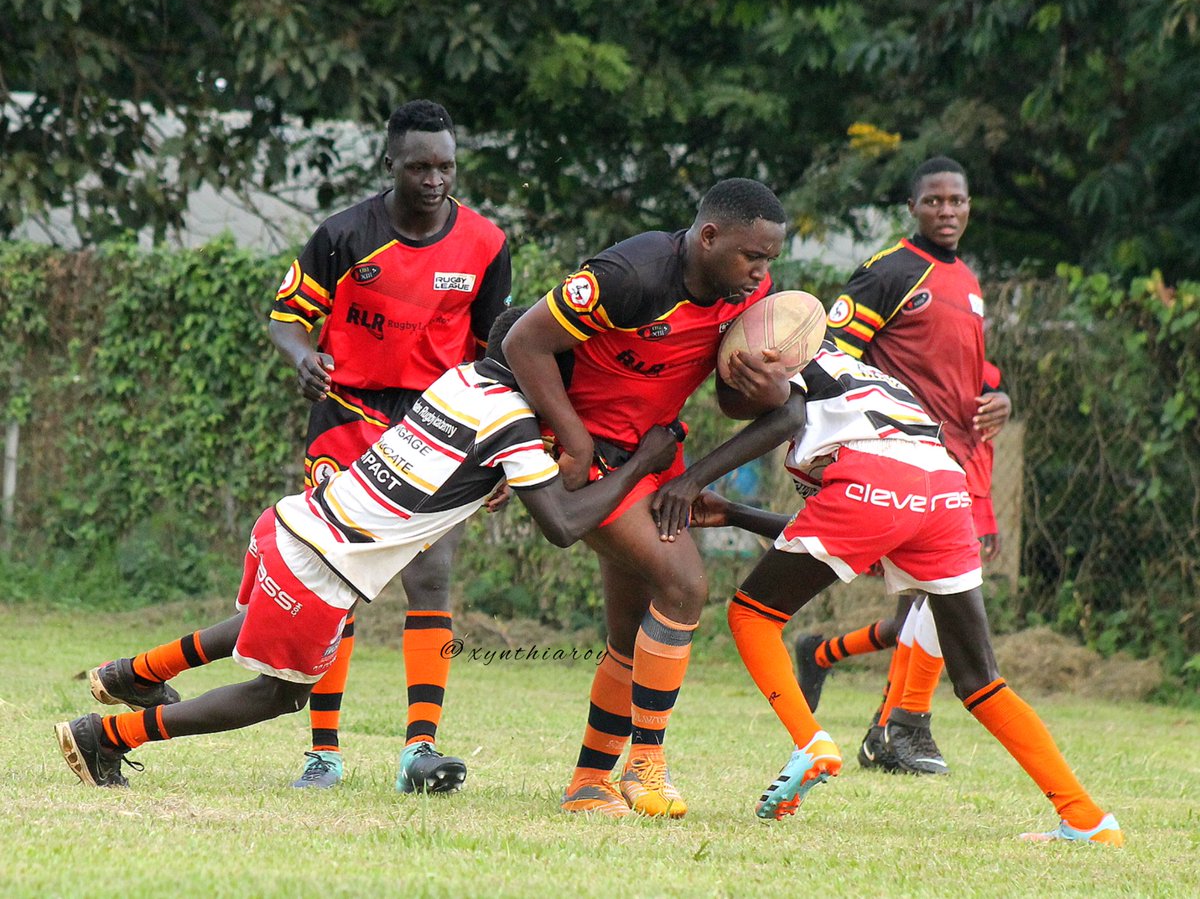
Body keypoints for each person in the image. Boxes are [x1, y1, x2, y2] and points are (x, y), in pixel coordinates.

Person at [56, 308, 683, 790]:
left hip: (287, 523)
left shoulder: (465, 380)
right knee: (281, 692)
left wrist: (502, 480)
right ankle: (110, 736)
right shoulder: (515, 421)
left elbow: (463, 464)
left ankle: (132, 675)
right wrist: (642, 465)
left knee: (261, 626)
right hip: (323, 564)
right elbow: (563, 525)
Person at [650, 337, 1123, 846]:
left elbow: (800, 434)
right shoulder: (856, 375)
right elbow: (858, 530)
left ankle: (810, 741)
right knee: (981, 679)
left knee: (751, 614)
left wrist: (693, 479)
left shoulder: (790, 364)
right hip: (944, 485)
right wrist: (738, 514)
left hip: (874, 479)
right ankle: (1086, 817)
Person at [502, 178, 790, 818]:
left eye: (770, 260)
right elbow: (523, 342)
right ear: (708, 237)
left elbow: (747, 407)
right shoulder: (629, 275)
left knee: (631, 635)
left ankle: (586, 784)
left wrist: (758, 391)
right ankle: (647, 766)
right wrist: (573, 440)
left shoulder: (751, 296)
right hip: (594, 458)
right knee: (685, 584)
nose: (760, 273)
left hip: (657, 454)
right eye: (752, 256)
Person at [267, 98, 510, 790]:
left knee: (430, 578)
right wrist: (300, 357)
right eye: (421, 166)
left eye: (447, 166)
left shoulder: (488, 244)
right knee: (334, 581)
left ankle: (420, 750)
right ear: (391, 165)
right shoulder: (343, 235)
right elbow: (288, 318)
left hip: (440, 424)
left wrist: (503, 451)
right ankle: (323, 751)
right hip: (347, 415)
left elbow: (497, 355)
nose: (435, 179)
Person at [791, 156, 1011, 774]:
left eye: (958, 201)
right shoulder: (889, 271)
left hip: (959, 457)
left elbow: (965, 370)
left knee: (928, 598)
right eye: (935, 201)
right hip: (903, 452)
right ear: (912, 208)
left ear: (969, 207)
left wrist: (1000, 396)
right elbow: (829, 354)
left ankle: (847, 678)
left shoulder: (966, 279)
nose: (947, 211)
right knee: (943, 595)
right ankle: (898, 729)